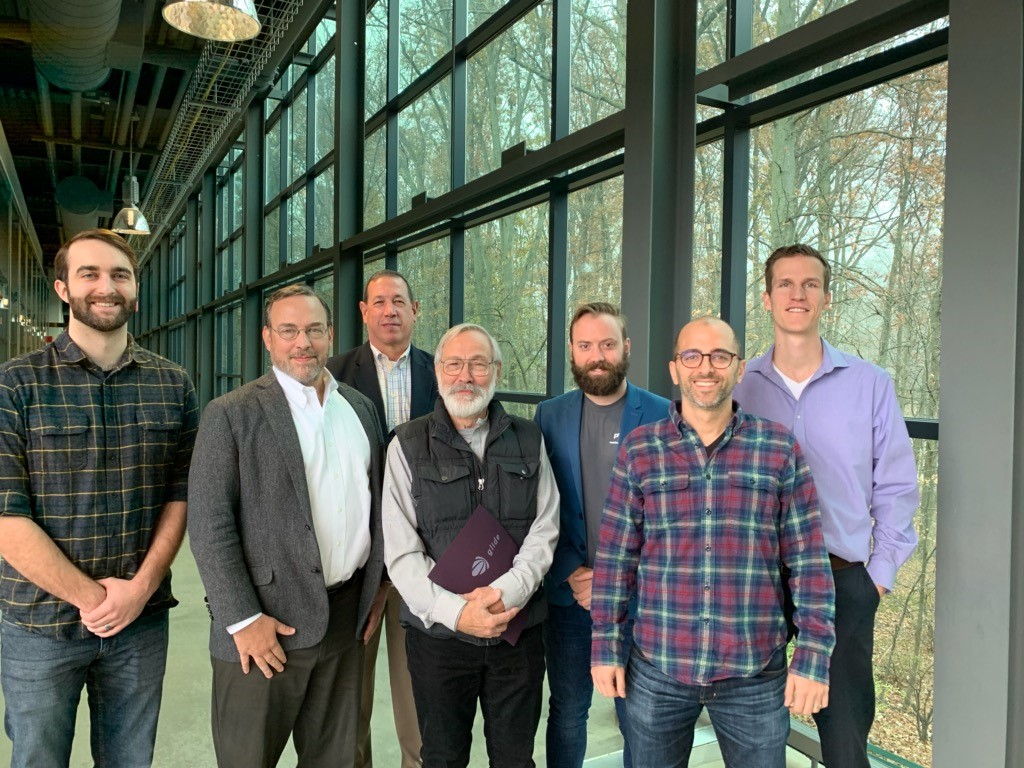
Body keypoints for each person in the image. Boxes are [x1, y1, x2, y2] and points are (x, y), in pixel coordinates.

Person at [591, 316, 836, 768]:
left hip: (754, 673)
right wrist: (606, 645)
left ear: (739, 368)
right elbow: (615, 557)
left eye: (720, 356)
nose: (705, 367)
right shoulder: (641, 449)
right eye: (692, 356)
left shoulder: (778, 448)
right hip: (658, 667)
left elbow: (808, 561)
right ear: (675, 369)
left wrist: (813, 654)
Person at [0, 228, 198, 768]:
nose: (106, 287)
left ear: (135, 288)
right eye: (89, 273)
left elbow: (180, 497)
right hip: (40, 624)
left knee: (130, 760)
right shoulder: (14, 386)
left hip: (140, 623)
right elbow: (6, 517)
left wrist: (140, 590)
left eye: (120, 275)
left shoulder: (173, 385)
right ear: (63, 288)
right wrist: (94, 599)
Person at [733, 243, 919, 768]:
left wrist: (877, 577)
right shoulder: (739, 387)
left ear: (826, 298)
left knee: (844, 739)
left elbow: (897, 487)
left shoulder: (871, 384)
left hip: (843, 581)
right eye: (785, 284)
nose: (798, 294)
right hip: (756, 583)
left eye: (810, 284)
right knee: (753, 736)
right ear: (767, 298)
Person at [187, 284, 386, 768]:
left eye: (314, 330)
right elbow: (209, 525)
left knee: (337, 760)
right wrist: (243, 620)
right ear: (268, 338)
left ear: (331, 334)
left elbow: (378, 508)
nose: (303, 342)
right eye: (289, 330)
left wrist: (377, 589)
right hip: (264, 631)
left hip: (345, 622)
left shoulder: (358, 408)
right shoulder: (230, 414)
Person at [383, 323, 559, 768]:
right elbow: (401, 552)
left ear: (496, 370)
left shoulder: (530, 439)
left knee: (516, 758)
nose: (466, 375)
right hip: (438, 638)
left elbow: (545, 528)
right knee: (442, 758)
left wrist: (506, 593)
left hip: (517, 630)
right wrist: (459, 613)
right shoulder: (406, 445)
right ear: (438, 371)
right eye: (455, 364)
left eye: (478, 364)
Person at [534, 302, 669, 767]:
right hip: (571, 595)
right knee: (568, 711)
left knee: (640, 717)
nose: (597, 356)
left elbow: (672, 516)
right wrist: (571, 571)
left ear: (626, 347)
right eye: (586, 345)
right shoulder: (548, 416)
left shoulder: (663, 415)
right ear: (572, 351)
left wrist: (619, 581)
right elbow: (539, 507)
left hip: (640, 600)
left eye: (608, 344)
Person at [326, 269, 437, 768]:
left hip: (426, 559)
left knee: (421, 697)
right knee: (350, 699)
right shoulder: (330, 376)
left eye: (399, 301)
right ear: (363, 311)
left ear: (416, 310)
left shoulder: (443, 372)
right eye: (379, 302)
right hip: (358, 561)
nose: (389, 310)